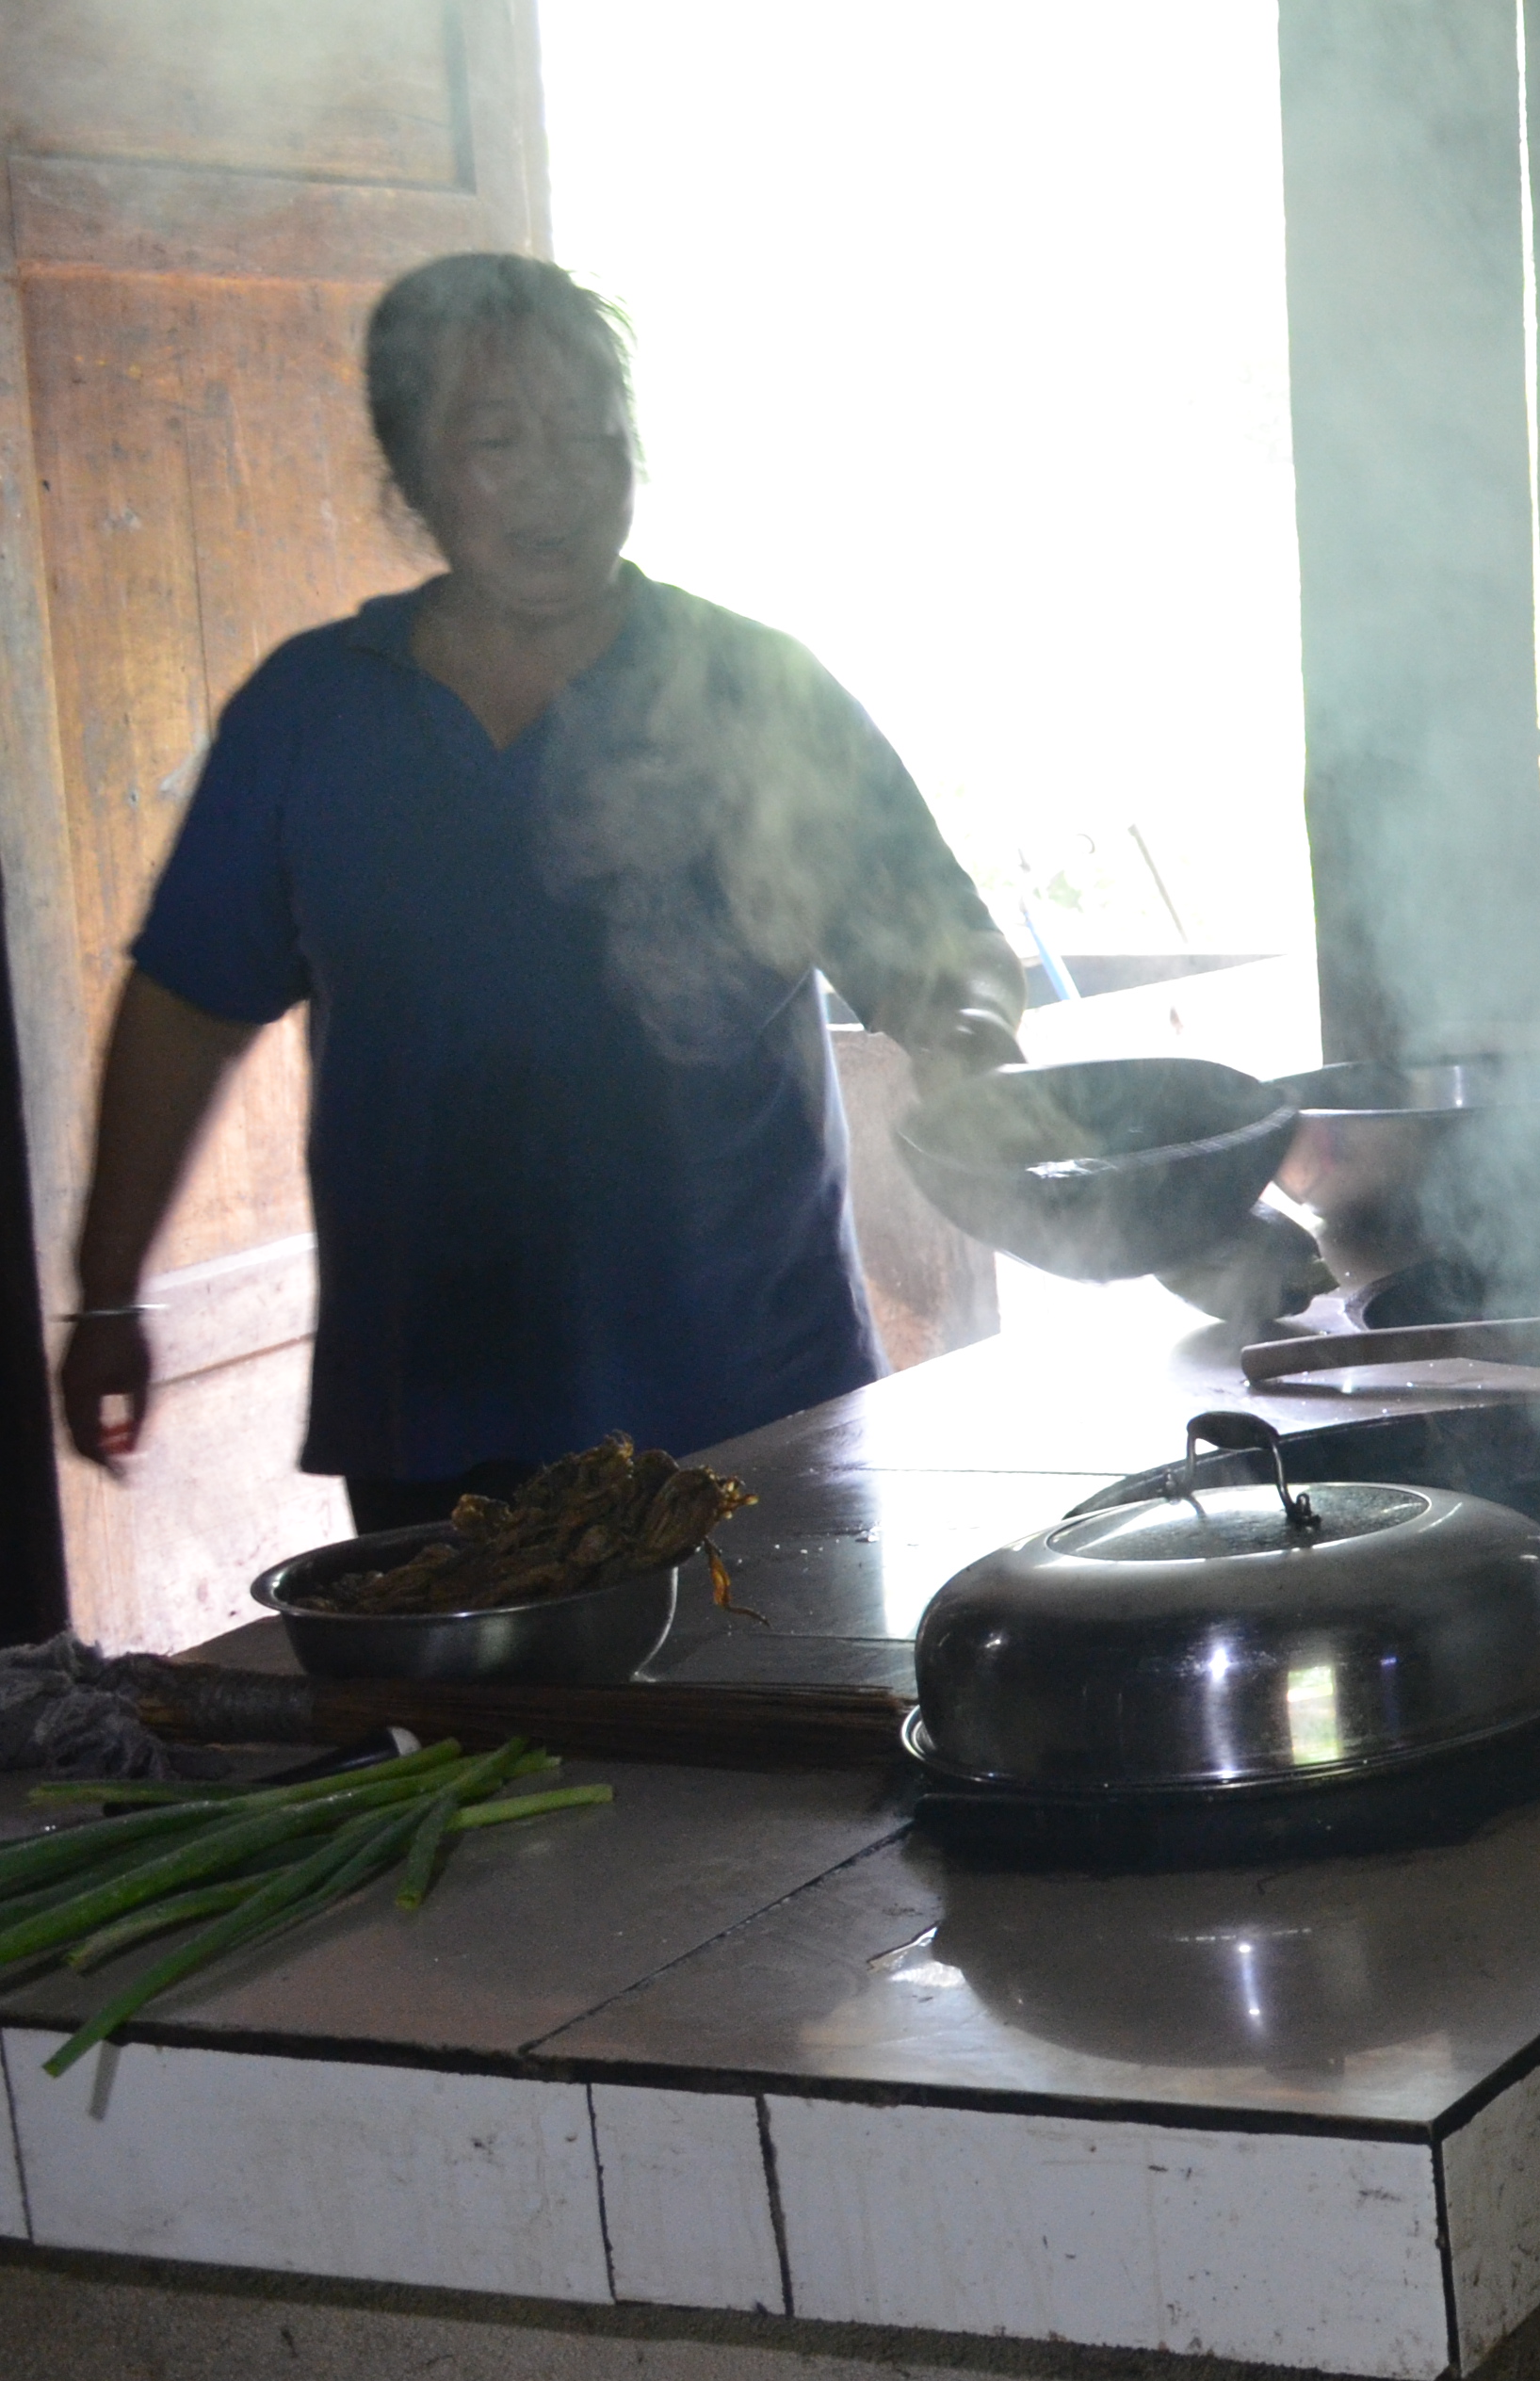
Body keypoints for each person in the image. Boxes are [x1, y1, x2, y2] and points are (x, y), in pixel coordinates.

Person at [58, 251, 1023, 1534]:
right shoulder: (313, 713)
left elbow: (942, 946)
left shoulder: (756, 690)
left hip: (753, 1394)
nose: (557, 481)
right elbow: (186, 1009)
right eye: (499, 442)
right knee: (476, 1671)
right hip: (436, 1420)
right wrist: (109, 1292)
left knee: (771, 1668)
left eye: (591, 434)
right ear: (411, 471)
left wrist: (970, 1038)